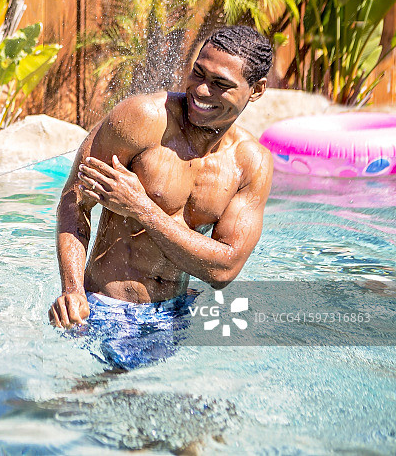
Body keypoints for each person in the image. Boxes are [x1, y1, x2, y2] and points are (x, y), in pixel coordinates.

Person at [49, 25, 274, 369]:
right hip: (109, 308)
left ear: (256, 90)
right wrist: (73, 290)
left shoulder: (250, 163)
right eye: (198, 72)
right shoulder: (143, 119)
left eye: (220, 83)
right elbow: (73, 202)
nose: (201, 90)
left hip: (180, 311)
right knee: (119, 405)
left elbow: (224, 269)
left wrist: (141, 207)